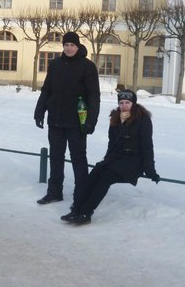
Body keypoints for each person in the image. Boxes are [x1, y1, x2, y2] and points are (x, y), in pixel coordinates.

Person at [62, 89, 161, 225]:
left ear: (133, 103)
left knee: (105, 178)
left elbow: (147, 146)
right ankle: (76, 209)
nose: (124, 105)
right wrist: (106, 161)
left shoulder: (142, 119)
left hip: (133, 162)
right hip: (115, 160)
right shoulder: (115, 117)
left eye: (127, 102)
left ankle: (86, 213)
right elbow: (112, 143)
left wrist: (150, 171)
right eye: (121, 103)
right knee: (94, 175)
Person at [34, 31, 100, 206]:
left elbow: (94, 95)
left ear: (78, 46)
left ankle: (82, 195)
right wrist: (39, 111)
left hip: (77, 122)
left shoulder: (87, 67)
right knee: (55, 157)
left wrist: (91, 121)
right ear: (62, 46)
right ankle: (54, 192)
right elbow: (47, 90)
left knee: (78, 158)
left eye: (72, 45)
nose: (69, 48)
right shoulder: (55, 65)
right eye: (66, 45)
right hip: (55, 120)